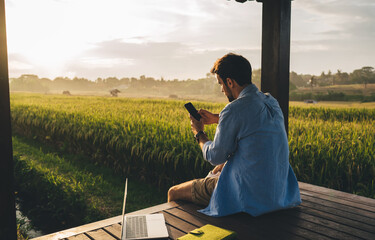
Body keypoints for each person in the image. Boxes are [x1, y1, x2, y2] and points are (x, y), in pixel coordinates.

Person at [168, 53, 301, 217]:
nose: (222, 89)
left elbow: (214, 156)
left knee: (173, 192)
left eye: (221, 83)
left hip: (249, 194)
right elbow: (252, 121)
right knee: (220, 168)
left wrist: (199, 133)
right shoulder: (270, 101)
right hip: (280, 193)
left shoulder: (233, 110)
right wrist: (218, 118)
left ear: (230, 82)